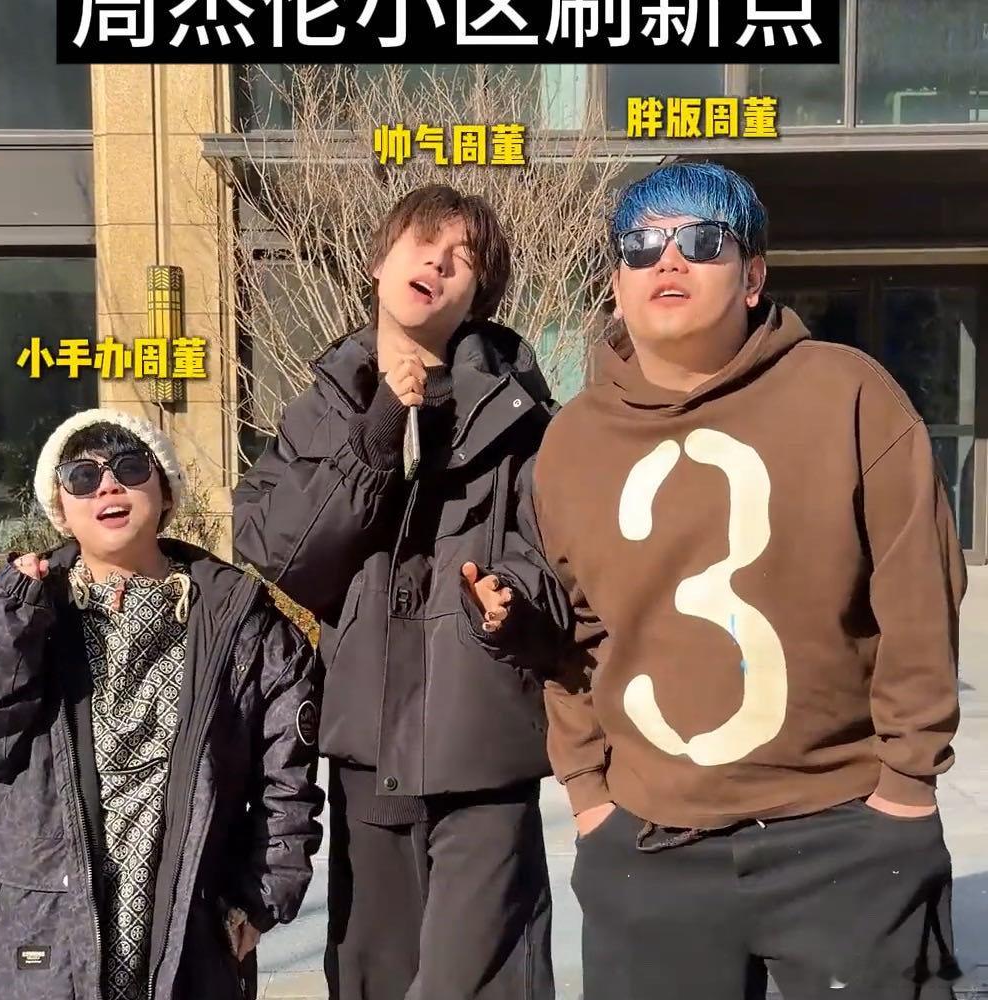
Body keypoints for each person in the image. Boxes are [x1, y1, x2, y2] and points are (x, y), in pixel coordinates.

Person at [532, 161, 966, 1000]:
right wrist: (589, 796)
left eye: (703, 241)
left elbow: (919, 594)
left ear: (753, 276)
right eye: (640, 245)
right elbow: (570, 631)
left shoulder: (848, 393)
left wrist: (908, 788)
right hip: (650, 849)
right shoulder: (572, 441)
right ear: (616, 283)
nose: (669, 259)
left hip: (844, 833)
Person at [233, 183, 570, 1000]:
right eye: (424, 242)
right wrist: (377, 434)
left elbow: (560, 556)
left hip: (483, 744)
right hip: (368, 746)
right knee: (374, 980)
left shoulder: (521, 419)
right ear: (378, 262)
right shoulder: (320, 410)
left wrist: (512, 599)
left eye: (463, 258)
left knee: (486, 981)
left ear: (479, 296)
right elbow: (282, 552)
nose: (439, 263)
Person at [0, 409, 323, 1000]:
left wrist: (259, 900)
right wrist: (8, 614)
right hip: (38, 932)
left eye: (130, 468)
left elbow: (287, 784)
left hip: (185, 927)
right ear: (61, 505)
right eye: (82, 477)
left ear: (165, 490)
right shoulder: (25, 608)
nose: (107, 486)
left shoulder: (243, 623)